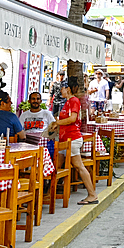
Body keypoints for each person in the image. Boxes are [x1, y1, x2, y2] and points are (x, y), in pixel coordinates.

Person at [48, 76, 99, 205]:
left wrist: (57, 123)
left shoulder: (74, 101)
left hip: (73, 139)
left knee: (79, 166)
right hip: (65, 140)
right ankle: (49, 194)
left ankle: (92, 195)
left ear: (68, 89)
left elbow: (72, 118)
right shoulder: (67, 102)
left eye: (63, 88)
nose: (61, 91)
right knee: (56, 167)